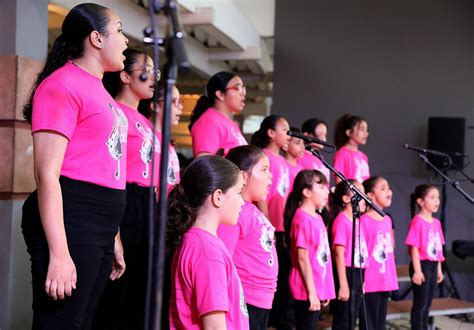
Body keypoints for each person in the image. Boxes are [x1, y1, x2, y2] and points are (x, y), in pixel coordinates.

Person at [21, 3, 129, 329]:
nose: (125, 41)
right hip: (73, 216)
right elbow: (47, 173)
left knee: (82, 321)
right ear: (96, 38)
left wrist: (115, 236)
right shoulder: (61, 85)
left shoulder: (100, 89)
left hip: (101, 220)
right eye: (120, 30)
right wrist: (59, 253)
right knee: (62, 322)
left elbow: (105, 165)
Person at [167, 155, 249, 329]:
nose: (242, 201)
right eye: (238, 192)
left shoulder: (201, 241)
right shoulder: (207, 251)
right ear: (218, 196)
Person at [217, 145, 278, 330]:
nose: (270, 176)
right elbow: (222, 259)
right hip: (244, 298)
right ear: (243, 176)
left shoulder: (252, 210)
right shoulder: (234, 213)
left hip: (262, 299)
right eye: (264, 170)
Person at [251, 114, 292, 328]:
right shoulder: (264, 156)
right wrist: (266, 220)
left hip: (284, 225)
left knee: (282, 273)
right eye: (284, 129)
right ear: (271, 133)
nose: (289, 134)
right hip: (270, 225)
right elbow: (263, 195)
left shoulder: (283, 161)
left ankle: (280, 318)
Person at [285, 170, 335, 330]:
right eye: (321, 187)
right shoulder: (302, 219)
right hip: (305, 287)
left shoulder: (318, 217)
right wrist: (312, 292)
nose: (327, 191)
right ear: (307, 192)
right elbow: (302, 258)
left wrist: (324, 289)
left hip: (317, 285)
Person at [360, 176, 399, 330]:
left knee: (380, 323)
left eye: (388, 188)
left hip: (385, 278)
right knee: (368, 322)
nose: (388, 191)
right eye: (382, 188)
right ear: (369, 195)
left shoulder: (387, 220)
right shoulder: (364, 221)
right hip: (370, 280)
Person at [405, 184, 445, 330]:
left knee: (427, 304)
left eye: (438, 198)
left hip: (433, 266)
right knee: (420, 304)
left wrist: (439, 269)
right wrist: (417, 270)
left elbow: (438, 249)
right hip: (422, 265)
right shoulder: (417, 221)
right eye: (432, 197)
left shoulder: (436, 223)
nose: (437, 201)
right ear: (421, 201)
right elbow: (414, 248)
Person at [330, 180, 368, 329]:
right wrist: (344, 284)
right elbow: (339, 253)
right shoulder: (341, 221)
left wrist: (362, 280)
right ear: (346, 199)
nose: (364, 198)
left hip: (358, 272)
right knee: (343, 318)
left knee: (352, 318)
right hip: (347, 272)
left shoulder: (357, 221)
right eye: (360, 193)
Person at [189, 71, 247, 157]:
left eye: (243, 88)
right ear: (220, 94)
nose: (243, 93)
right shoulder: (208, 122)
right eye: (237, 88)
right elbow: (205, 163)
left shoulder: (229, 123)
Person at [333, 114, 370, 183]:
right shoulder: (341, 154)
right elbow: (339, 180)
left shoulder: (363, 156)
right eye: (362, 130)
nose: (366, 133)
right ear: (349, 132)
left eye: (367, 130)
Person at [299, 118, 330, 185]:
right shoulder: (300, 156)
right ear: (306, 135)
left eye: (325, 135)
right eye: (319, 135)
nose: (323, 139)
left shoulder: (319, 157)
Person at [285, 127, 305, 192]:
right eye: (297, 143)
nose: (302, 146)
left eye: (303, 143)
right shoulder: (283, 167)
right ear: (286, 145)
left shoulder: (301, 168)